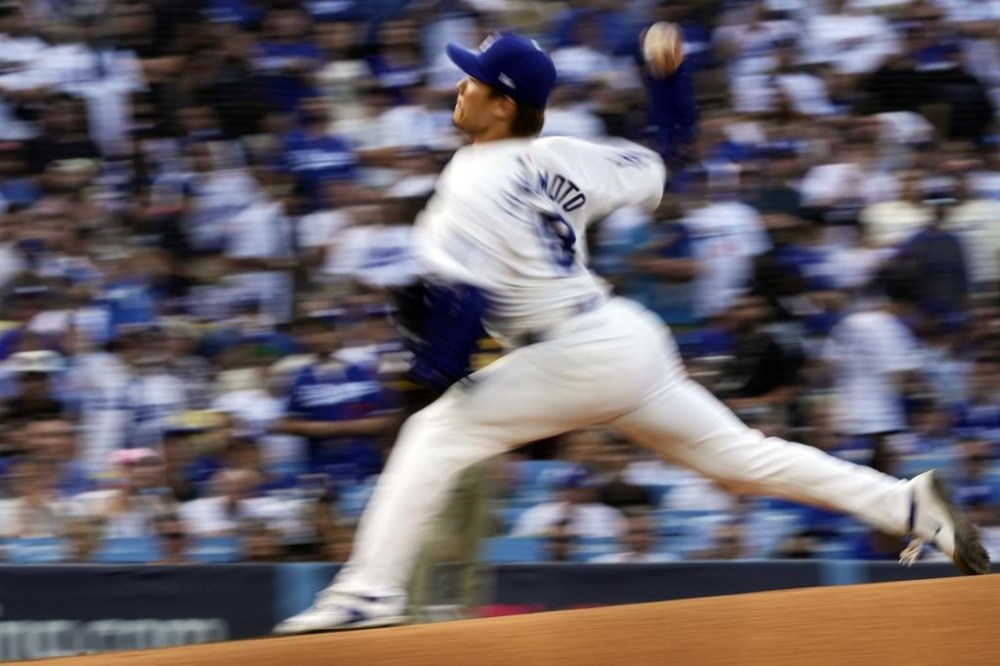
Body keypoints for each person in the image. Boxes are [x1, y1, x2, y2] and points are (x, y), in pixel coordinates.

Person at [275, 31, 989, 635]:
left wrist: (428, 381)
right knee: (740, 459)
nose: (458, 90)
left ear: (504, 103)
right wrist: (668, 81)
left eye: (472, 82)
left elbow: (463, 304)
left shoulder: (468, 180)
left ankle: (369, 591)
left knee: (432, 435)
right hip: (623, 338)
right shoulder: (561, 156)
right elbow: (668, 154)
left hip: (574, 351)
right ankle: (906, 504)